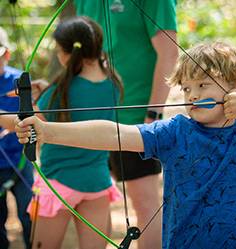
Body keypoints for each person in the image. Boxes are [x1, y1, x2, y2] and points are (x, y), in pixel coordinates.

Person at [15, 42, 236, 249]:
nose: (193, 95)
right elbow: (116, 135)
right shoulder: (176, 132)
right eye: (186, 89)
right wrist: (47, 131)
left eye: (203, 85)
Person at [72, 2, 178, 247]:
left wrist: (153, 113)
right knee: (93, 200)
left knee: (145, 203)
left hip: (134, 118)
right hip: (91, 114)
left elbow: (169, 52)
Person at [22, 17, 122, 249]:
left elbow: (29, 124)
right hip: (96, 182)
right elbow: (82, 107)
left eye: (58, 50)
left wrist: (34, 100)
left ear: (69, 53)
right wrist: (47, 92)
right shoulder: (114, 85)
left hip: (58, 182)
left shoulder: (59, 92)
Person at [0, 26, 33, 249]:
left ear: (6, 54)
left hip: (21, 161)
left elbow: (32, 118)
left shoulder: (19, 81)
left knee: (29, 213)